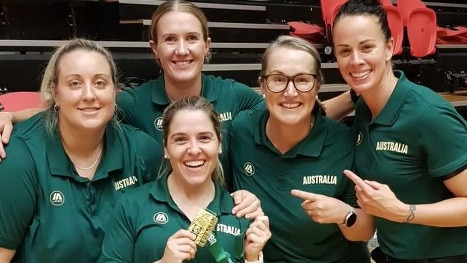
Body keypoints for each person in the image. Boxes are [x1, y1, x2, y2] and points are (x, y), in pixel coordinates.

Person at [0, 0, 264, 219]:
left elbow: (285, 109)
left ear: (207, 46)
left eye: (192, 38)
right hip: (161, 224)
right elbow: (77, 111)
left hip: (220, 220)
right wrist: (9, 116)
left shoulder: (235, 95)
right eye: (170, 39)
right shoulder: (134, 102)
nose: (182, 50)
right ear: (155, 49)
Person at [0, 38, 163, 262]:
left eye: (100, 83)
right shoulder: (19, 158)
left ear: (114, 92)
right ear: (54, 93)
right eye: (75, 83)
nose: (89, 95)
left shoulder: (142, 151)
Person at [331, 0, 467, 262]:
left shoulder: (428, 115)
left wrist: (403, 211)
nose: (355, 59)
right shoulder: (363, 109)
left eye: (367, 47)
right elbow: (310, 115)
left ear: (389, 47)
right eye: (344, 51)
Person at [230, 35, 374, 263]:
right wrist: (232, 197)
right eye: (278, 79)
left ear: (317, 85)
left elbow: (365, 230)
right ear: (262, 85)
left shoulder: (344, 142)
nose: (290, 92)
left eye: (303, 80)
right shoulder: (241, 131)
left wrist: (343, 214)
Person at [101, 96, 271, 263]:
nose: (194, 149)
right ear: (166, 148)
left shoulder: (241, 212)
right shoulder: (131, 205)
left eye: (204, 137)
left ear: (219, 144)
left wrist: (252, 258)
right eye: (180, 139)